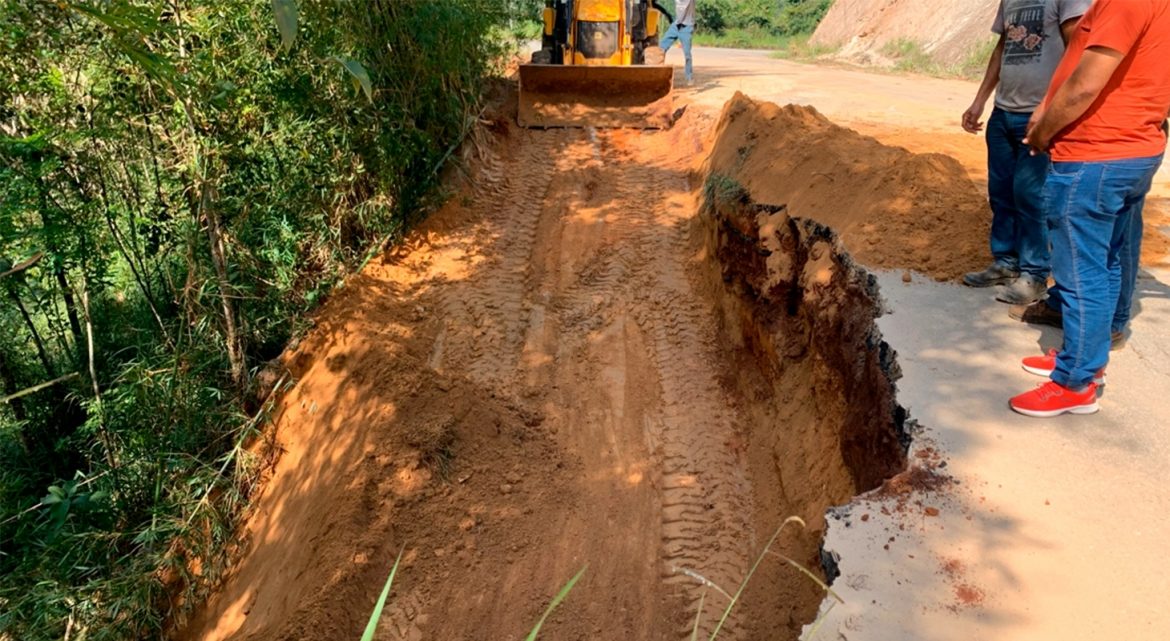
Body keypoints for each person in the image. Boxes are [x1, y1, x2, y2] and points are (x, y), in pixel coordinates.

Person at [1009, 0, 1170, 418]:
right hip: (1129, 150)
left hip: (1096, 158)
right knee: (1105, 262)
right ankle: (1084, 360)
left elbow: (1085, 83)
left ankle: (1074, 383)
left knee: (1081, 274)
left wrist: (1043, 131)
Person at [961, 0, 1092, 305]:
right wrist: (980, 100)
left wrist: (1049, 108)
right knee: (1001, 192)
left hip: (1038, 116)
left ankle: (1034, 274)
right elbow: (1002, 48)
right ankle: (1005, 263)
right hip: (1003, 113)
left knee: (1031, 196)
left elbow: (1078, 49)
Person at [659, 0, 695, 85]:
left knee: (687, 54)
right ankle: (657, 73)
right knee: (661, 48)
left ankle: (689, 77)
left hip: (687, 27)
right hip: (675, 26)